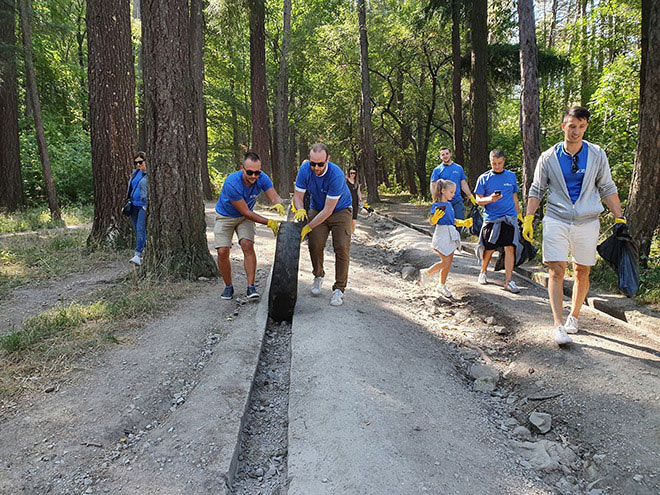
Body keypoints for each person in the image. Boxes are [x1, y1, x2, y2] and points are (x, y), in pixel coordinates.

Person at [523, 106, 625, 346]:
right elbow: (537, 189)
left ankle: (574, 316)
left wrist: (620, 217)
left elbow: (607, 187)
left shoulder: (597, 154)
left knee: (582, 270)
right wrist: (528, 217)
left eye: (581, 127)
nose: (576, 132)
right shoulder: (548, 157)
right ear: (563, 127)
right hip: (556, 218)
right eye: (571, 127)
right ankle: (558, 324)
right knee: (556, 270)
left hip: (588, 221)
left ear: (586, 127)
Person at [214, 151, 285, 301]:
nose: (254, 176)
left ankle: (251, 287)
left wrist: (278, 204)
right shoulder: (232, 183)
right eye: (250, 172)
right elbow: (246, 212)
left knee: (247, 244)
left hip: (244, 218)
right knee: (222, 251)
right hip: (225, 216)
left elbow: (273, 195)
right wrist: (268, 222)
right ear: (242, 168)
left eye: (257, 172)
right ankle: (228, 286)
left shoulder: (262, 178)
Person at [293, 143, 353, 307]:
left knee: (341, 246)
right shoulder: (305, 170)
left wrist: (308, 227)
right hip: (316, 207)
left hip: (340, 210)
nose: (316, 167)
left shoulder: (336, 175)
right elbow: (298, 196)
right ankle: (318, 275)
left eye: (320, 164)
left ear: (328, 160)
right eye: (313, 163)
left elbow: (328, 210)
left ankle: (339, 289)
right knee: (315, 243)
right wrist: (299, 210)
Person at [474, 149, 523, 294]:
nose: (496, 166)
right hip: (492, 219)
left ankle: (509, 280)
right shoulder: (484, 178)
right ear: (490, 162)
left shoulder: (511, 176)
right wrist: (489, 199)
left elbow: (514, 197)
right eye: (494, 163)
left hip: (509, 219)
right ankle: (483, 271)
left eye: (499, 163)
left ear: (504, 161)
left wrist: (519, 215)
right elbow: (478, 200)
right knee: (489, 248)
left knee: (510, 248)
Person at [421, 180, 473, 299]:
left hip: (451, 233)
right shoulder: (436, 205)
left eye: (454, 192)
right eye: (451, 192)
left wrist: (462, 222)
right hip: (441, 233)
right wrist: (434, 219)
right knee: (445, 261)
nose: (453, 194)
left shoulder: (449, 205)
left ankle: (441, 285)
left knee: (448, 263)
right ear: (443, 191)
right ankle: (427, 273)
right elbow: (431, 221)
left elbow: (451, 220)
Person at [429, 147, 476, 220]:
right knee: (445, 222)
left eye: (447, 153)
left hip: (457, 200)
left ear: (450, 154)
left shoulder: (458, 168)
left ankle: (458, 232)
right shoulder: (437, 170)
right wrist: (434, 197)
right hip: (444, 201)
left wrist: (470, 196)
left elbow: (463, 184)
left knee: (459, 221)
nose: (445, 156)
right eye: (443, 154)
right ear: (440, 157)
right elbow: (433, 184)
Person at [127, 152, 148, 266]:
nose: (138, 165)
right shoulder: (135, 173)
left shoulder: (150, 174)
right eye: (136, 163)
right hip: (133, 205)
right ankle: (144, 250)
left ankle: (138, 254)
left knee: (140, 228)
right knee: (136, 229)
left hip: (143, 205)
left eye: (140, 162)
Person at [345, 166, 362, 235]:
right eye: (351, 173)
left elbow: (358, 192)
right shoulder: (345, 180)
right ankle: (347, 233)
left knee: (354, 220)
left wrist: (360, 200)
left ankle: (352, 233)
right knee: (347, 218)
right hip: (347, 201)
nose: (352, 174)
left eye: (354, 173)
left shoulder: (357, 182)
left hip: (355, 201)